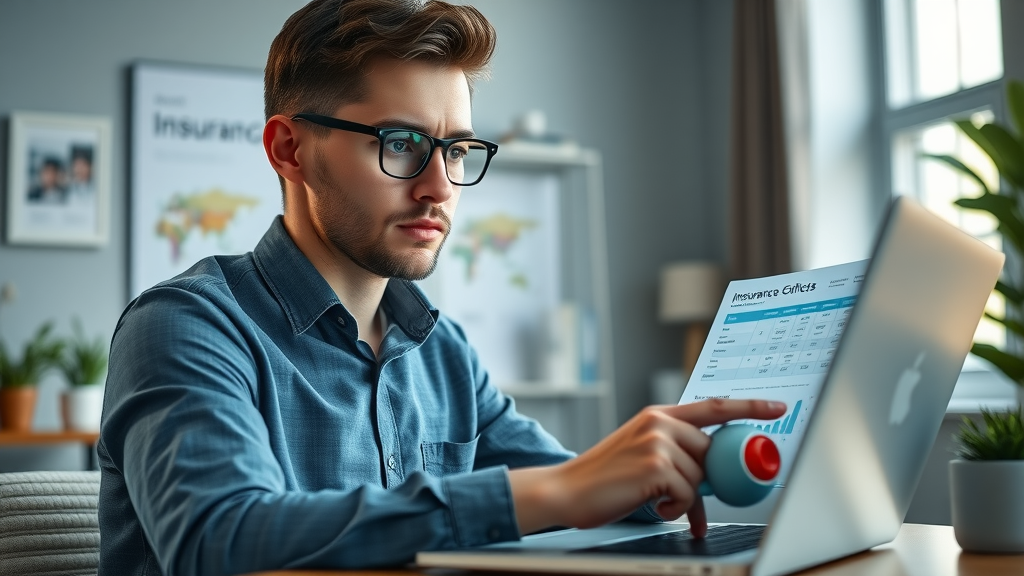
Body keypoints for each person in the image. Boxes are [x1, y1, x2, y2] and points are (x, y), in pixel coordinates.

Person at [98, 1, 787, 575]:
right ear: (289, 150)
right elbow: (215, 540)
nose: (438, 187)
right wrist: (555, 491)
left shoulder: (441, 350)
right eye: (400, 144)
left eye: (456, 150)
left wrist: (663, 467)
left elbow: (578, 485)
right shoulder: (185, 326)